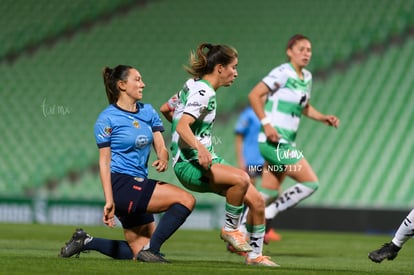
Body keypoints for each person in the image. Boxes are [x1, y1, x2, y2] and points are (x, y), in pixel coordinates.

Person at [59, 65, 195, 263]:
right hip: (122, 184)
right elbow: (104, 162)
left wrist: (163, 157)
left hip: (138, 182)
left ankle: (86, 241)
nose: (143, 84)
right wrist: (109, 200)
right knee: (186, 200)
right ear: (122, 85)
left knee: (137, 252)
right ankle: (152, 251)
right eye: (137, 80)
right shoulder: (107, 118)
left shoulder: (147, 111)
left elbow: (160, 144)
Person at [168, 43, 278, 267]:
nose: (236, 73)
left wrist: (186, 137)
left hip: (203, 160)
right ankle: (230, 229)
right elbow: (182, 126)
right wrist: (198, 148)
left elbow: (166, 109)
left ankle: (255, 256)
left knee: (257, 201)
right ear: (219, 68)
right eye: (234, 67)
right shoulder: (204, 92)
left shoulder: (193, 86)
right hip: (190, 164)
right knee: (242, 179)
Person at [248, 34, 340, 235]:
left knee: (268, 193)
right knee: (310, 183)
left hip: (285, 141)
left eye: (309, 50)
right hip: (274, 141)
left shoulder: (307, 77)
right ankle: (270, 213)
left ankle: (238, 232)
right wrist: (267, 125)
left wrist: (323, 117)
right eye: (301, 49)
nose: (306, 53)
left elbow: (304, 107)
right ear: (289, 52)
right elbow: (254, 95)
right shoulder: (282, 72)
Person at [234, 106, 281, 244]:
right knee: (250, 195)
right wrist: (241, 160)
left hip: (266, 159)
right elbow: (239, 137)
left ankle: (266, 227)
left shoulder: (271, 112)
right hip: (251, 159)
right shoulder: (248, 114)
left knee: (275, 193)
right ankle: (241, 229)